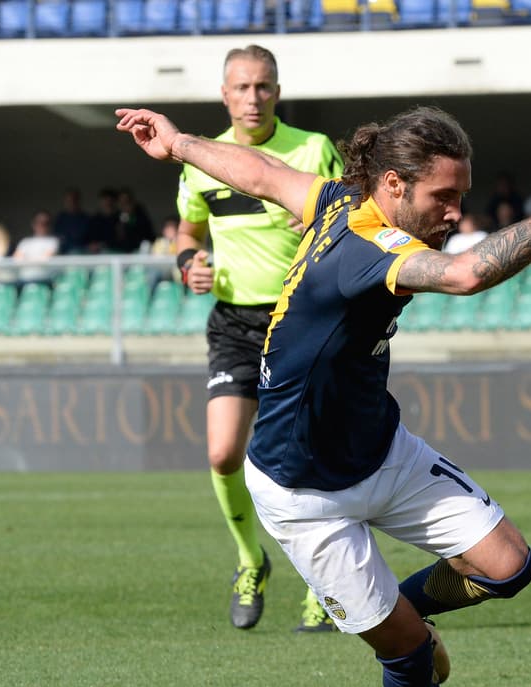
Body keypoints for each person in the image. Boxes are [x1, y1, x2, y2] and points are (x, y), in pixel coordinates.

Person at [116, 101, 531, 687]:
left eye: (461, 196)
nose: (455, 214)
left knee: (508, 568)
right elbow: (466, 274)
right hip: (301, 492)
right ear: (393, 185)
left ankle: (402, 618)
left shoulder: (338, 200)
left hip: (383, 452)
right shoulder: (367, 248)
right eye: (443, 197)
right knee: (406, 652)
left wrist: (178, 143)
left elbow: (260, 172)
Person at [174, 45, 345, 633]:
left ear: (278, 91)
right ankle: (251, 560)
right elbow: (188, 231)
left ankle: (323, 584)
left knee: (306, 457)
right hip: (233, 322)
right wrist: (188, 263)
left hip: (301, 320)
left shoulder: (312, 149)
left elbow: (350, 219)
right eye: (242, 88)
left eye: (263, 86)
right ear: (225, 95)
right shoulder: (202, 158)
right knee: (223, 453)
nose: (253, 98)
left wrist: (321, 220)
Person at [53, 188, 91, 256]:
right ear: (65, 201)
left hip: (83, 254)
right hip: (64, 254)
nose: (72, 203)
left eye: (74, 200)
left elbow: (90, 241)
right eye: (69, 200)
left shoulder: (86, 218)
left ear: (79, 201)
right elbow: (58, 240)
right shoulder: (59, 219)